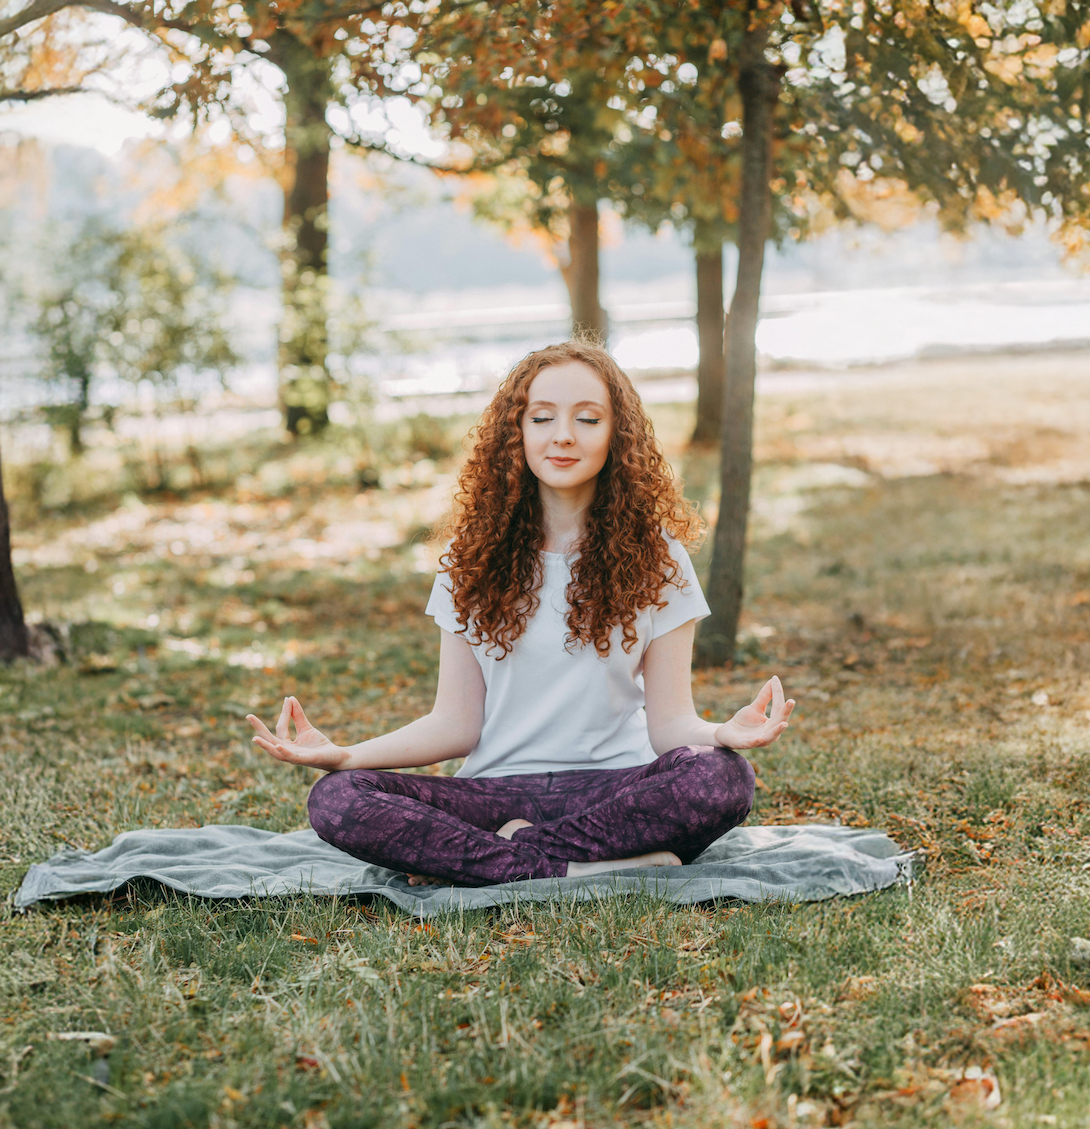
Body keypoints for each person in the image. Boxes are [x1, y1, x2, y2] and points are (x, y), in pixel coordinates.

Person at [246, 340, 794, 887]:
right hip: (493, 793)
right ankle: (592, 866)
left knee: (722, 778)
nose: (563, 435)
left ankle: (508, 858)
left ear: (616, 435)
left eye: (587, 418)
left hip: (617, 792)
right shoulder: (471, 560)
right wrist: (345, 756)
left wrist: (721, 733)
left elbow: (671, 724)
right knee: (338, 799)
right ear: (518, 433)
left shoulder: (659, 558)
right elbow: (454, 724)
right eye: (542, 417)